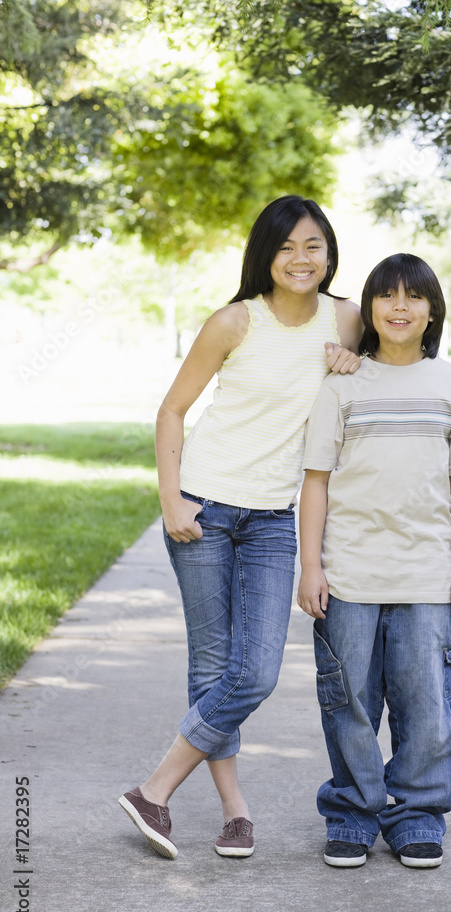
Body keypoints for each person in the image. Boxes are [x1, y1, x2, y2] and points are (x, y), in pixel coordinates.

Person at [119, 195, 363, 860]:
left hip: (274, 518)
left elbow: (395, 369)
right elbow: (172, 411)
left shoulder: (347, 319)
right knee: (213, 668)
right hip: (204, 504)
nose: (300, 259)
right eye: (285, 247)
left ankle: (154, 789)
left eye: (312, 245)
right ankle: (234, 812)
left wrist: (356, 363)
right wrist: (172, 501)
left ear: (329, 253)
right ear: (265, 254)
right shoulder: (233, 322)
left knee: (252, 672)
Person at [297, 253, 451, 868]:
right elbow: (316, 481)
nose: (400, 307)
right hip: (350, 573)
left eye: (414, 297)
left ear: (432, 310)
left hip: (427, 576)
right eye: (387, 296)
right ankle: (354, 813)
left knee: (425, 702)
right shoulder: (344, 384)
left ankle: (416, 815)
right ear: (370, 307)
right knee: (349, 700)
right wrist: (311, 566)